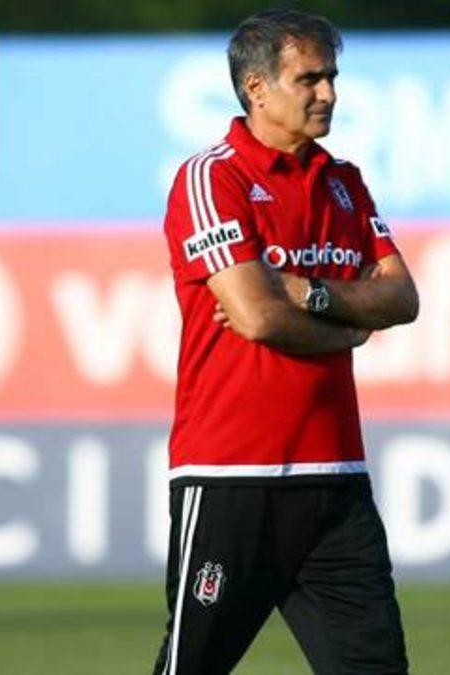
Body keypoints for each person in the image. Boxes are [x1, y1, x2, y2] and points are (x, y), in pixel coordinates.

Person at [151, 9, 419, 674]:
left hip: (336, 480)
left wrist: (310, 291)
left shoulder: (343, 182)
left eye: (332, 78)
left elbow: (402, 298)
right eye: (309, 79)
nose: (328, 93)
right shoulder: (213, 178)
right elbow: (256, 316)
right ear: (257, 89)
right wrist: (349, 327)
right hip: (231, 477)